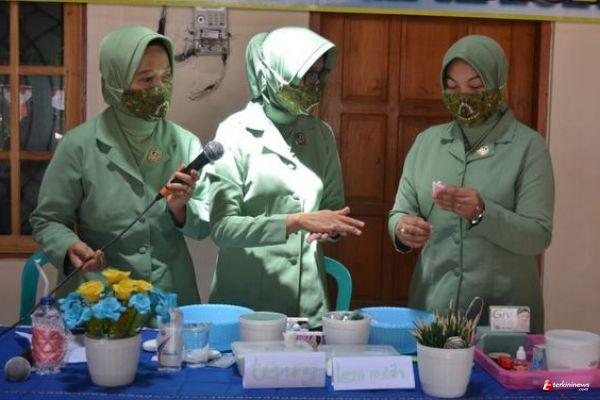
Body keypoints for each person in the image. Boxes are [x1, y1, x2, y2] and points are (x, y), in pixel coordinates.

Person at [30, 26, 210, 304]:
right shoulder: (79, 145)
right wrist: (69, 246)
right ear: (116, 82)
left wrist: (180, 209)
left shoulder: (185, 143)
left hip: (168, 294)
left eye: (166, 76)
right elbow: (48, 219)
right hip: (100, 297)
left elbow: (204, 226)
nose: (159, 88)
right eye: (147, 79)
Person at [388, 35, 554, 333]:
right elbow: (400, 212)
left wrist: (482, 214)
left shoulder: (528, 146)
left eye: (475, 87)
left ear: (498, 85)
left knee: (503, 366)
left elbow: (537, 236)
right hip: (435, 307)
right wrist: (402, 229)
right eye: (452, 87)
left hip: (504, 314)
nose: (463, 95)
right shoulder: (427, 143)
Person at [207, 27, 364, 327]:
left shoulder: (319, 134)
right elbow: (222, 228)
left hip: (308, 303)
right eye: (306, 75)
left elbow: (332, 208)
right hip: (247, 305)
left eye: (319, 75)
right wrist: (297, 221)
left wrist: (331, 229)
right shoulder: (235, 132)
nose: (314, 85)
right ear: (277, 73)